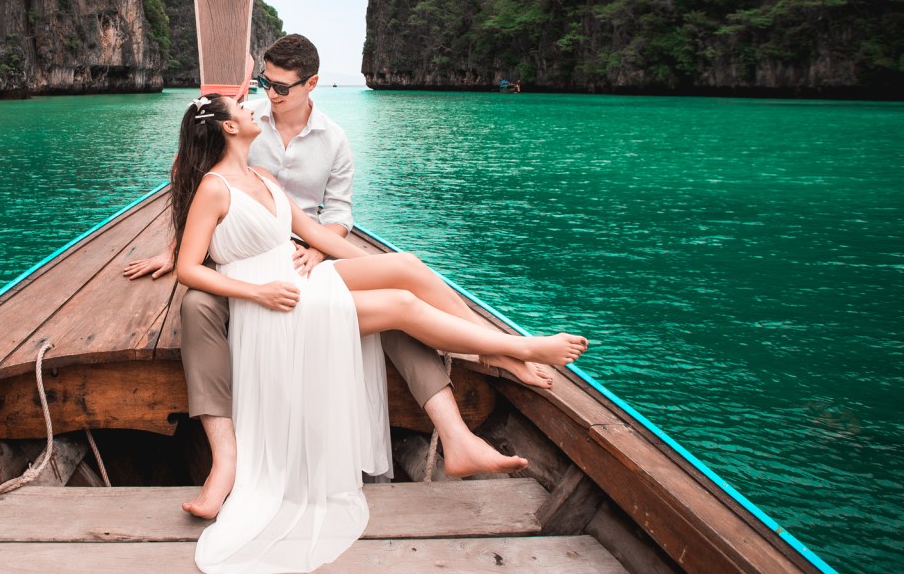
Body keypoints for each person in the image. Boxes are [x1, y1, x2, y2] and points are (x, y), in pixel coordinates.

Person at [126, 35, 551, 520]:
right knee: (195, 304)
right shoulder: (241, 135)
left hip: (304, 252)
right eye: (263, 83)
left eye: (280, 86)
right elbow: (198, 188)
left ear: (311, 84)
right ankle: (225, 460)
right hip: (245, 266)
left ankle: (488, 367)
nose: (268, 94)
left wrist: (341, 261)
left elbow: (335, 216)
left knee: (403, 279)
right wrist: (178, 249)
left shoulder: (330, 140)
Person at [171, 93, 589, 574]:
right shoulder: (214, 188)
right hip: (271, 307)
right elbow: (188, 268)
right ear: (227, 128)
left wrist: (382, 268)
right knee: (402, 305)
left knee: (406, 270)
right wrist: (258, 293)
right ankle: (515, 350)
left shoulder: (263, 177)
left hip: (303, 281)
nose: (252, 109)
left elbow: (318, 235)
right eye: (241, 109)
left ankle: (498, 356)